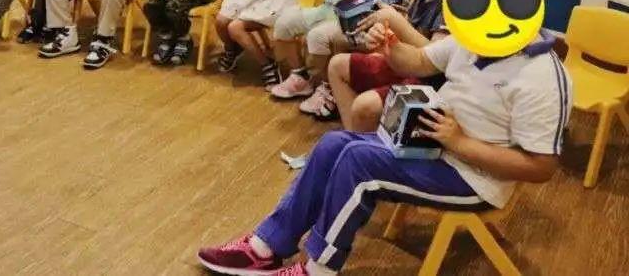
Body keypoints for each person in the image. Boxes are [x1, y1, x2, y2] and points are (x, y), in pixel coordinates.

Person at [197, 26, 571, 276]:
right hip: (433, 148)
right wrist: (390, 47)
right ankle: (267, 245)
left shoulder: (541, 75)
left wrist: (460, 142)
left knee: (359, 161)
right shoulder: (475, 36)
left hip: (473, 180)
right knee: (334, 144)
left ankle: (319, 268)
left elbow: (541, 167)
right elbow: (419, 61)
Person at [269, 0, 397, 118]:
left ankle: (327, 87)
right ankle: (300, 76)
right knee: (284, 23)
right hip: (328, 7)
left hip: (355, 16)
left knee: (317, 36)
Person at [327, 0, 446, 131]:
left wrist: (396, 22)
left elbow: (440, 60)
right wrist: (381, 33)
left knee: (365, 106)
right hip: (407, 61)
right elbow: (408, 31)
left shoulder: (454, 1)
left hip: (431, 81)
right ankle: (352, 136)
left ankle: (360, 141)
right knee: (337, 65)